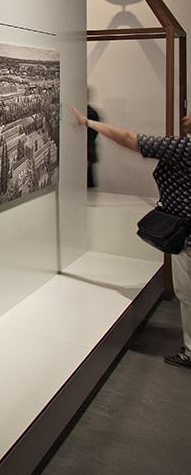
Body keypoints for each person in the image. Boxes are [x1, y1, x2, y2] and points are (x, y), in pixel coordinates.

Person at [71, 106, 191, 368]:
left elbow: (130, 139)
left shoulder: (184, 148)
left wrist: (88, 122)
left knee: (187, 292)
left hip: (187, 233)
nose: (185, 117)